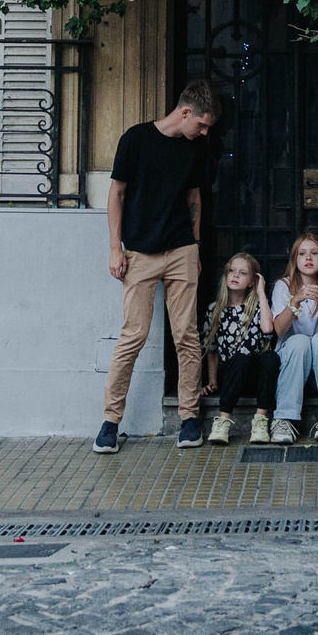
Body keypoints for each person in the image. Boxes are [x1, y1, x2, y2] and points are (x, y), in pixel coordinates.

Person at [97, 80, 218, 454]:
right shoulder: (135, 140)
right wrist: (115, 248)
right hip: (140, 253)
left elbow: (194, 196)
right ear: (185, 113)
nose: (204, 132)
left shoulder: (196, 148)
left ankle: (189, 419)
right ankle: (110, 422)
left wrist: (195, 248)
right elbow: (116, 193)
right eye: (201, 124)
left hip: (181, 249)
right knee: (133, 335)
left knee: (186, 335)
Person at [268, 230, 318, 443]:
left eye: (314, 253)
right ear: (295, 259)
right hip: (292, 366)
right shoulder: (284, 286)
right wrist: (296, 301)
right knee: (300, 341)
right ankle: (284, 419)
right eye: (302, 254)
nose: (308, 258)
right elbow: (279, 330)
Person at [200, 251, 278, 445]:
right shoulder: (215, 309)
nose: (235, 275)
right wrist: (212, 380)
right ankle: (223, 421)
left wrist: (261, 293)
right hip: (231, 373)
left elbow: (268, 329)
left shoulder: (259, 307)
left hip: (255, 376)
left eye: (243, 273)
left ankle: (260, 421)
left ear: (252, 281)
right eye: (232, 271)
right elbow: (212, 348)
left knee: (270, 357)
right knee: (239, 359)